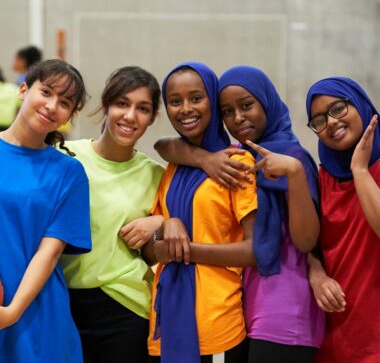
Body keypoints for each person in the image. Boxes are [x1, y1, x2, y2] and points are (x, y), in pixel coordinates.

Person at [155, 65, 324, 363]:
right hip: (252, 303)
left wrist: (295, 174)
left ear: (267, 101)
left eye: (246, 106)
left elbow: (307, 240)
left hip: (286, 308)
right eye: (228, 111)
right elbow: (164, 146)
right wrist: (205, 159)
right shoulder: (235, 158)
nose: (238, 118)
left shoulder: (291, 157)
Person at [146, 62, 257, 363]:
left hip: (216, 324)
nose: (185, 109)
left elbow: (253, 250)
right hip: (165, 323)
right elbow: (150, 252)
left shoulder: (237, 162)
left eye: (196, 98)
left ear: (212, 98)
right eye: (175, 101)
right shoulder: (172, 168)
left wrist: (185, 251)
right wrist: (168, 224)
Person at [60, 66, 164, 363]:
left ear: (152, 117)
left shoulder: (156, 175)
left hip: (126, 308)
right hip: (63, 303)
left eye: (142, 108)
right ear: (106, 104)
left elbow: (162, 245)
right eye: (122, 103)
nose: (130, 116)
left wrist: (161, 221)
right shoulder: (65, 155)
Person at [0, 59, 92, 363]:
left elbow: (49, 253)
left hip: (36, 315)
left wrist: (12, 312)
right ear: (23, 89)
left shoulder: (69, 172)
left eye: (64, 102)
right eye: (46, 92)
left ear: (70, 115)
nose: (53, 106)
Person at [306, 77, 380, 363]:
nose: (331, 123)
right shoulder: (323, 177)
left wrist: (359, 170)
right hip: (334, 334)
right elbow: (312, 245)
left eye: (338, 108)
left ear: (358, 102)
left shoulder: (369, 169)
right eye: (319, 120)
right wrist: (316, 274)